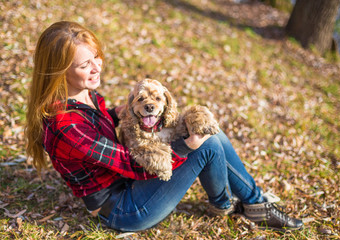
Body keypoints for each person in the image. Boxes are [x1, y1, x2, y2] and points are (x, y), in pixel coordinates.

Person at [25, 21, 303, 232]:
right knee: (204, 144)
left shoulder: (83, 95)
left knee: (207, 129)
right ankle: (234, 205)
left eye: (96, 56)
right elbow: (134, 164)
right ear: (60, 70)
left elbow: (102, 126)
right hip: (122, 208)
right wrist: (184, 146)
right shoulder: (65, 124)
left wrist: (123, 112)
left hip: (127, 183)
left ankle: (251, 202)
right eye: (86, 64)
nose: (97, 67)